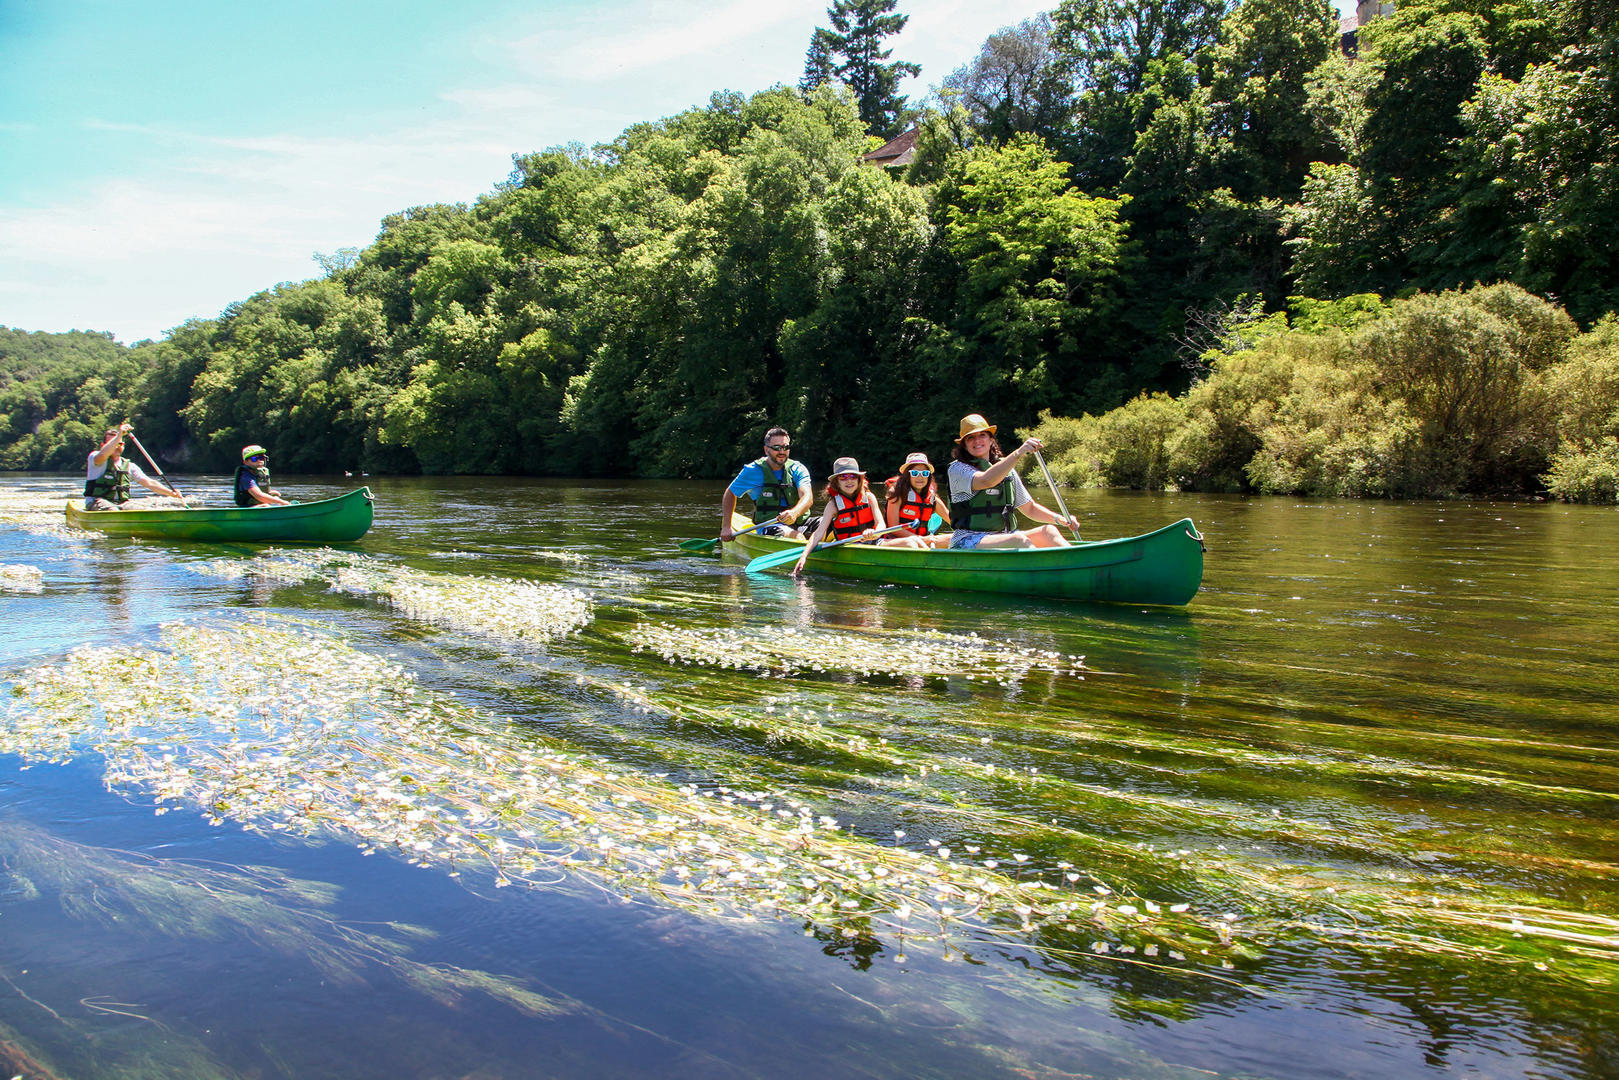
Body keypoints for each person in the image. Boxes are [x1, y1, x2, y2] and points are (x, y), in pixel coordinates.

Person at [946, 413, 1080, 549]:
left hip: (1004, 535)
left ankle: (1079, 564)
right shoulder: (957, 469)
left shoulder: (1006, 469)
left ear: (991, 440)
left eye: (982, 435)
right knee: (1018, 539)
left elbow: (1030, 508)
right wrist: (1019, 452)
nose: (977, 441)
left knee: (1048, 531)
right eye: (970, 438)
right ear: (964, 445)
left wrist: (1060, 519)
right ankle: (1041, 568)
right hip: (967, 538)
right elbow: (986, 481)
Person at [792, 457, 924, 576]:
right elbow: (818, 533)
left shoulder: (870, 497)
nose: (849, 481)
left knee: (913, 541)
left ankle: (928, 565)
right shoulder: (833, 505)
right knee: (911, 544)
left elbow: (881, 524)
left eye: (853, 476)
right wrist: (804, 556)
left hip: (874, 541)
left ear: (859, 479)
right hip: (851, 547)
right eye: (843, 477)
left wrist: (875, 532)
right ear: (836, 482)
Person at [719, 427, 813, 541]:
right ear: (766, 449)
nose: (782, 452)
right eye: (776, 448)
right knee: (797, 536)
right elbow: (730, 493)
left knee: (833, 526)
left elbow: (807, 497)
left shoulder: (798, 468)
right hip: (770, 525)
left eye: (785, 447)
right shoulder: (752, 471)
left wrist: (795, 512)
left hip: (799, 521)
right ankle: (806, 550)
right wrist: (726, 527)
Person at [83, 423, 186, 510]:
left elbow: (149, 483)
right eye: (112, 443)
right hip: (97, 501)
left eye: (120, 443)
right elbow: (102, 455)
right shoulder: (95, 457)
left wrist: (172, 493)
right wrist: (119, 434)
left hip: (121, 503)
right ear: (103, 445)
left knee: (141, 509)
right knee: (112, 510)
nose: (116, 446)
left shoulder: (130, 466)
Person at [884, 452, 952, 548]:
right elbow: (894, 528)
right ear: (908, 475)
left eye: (924, 473)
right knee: (913, 544)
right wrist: (920, 539)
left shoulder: (932, 498)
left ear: (928, 476)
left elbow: (952, 520)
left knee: (954, 538)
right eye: (915, 473)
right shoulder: (896, 494)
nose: (920, 477)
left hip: (923, 540)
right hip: (898, 541)